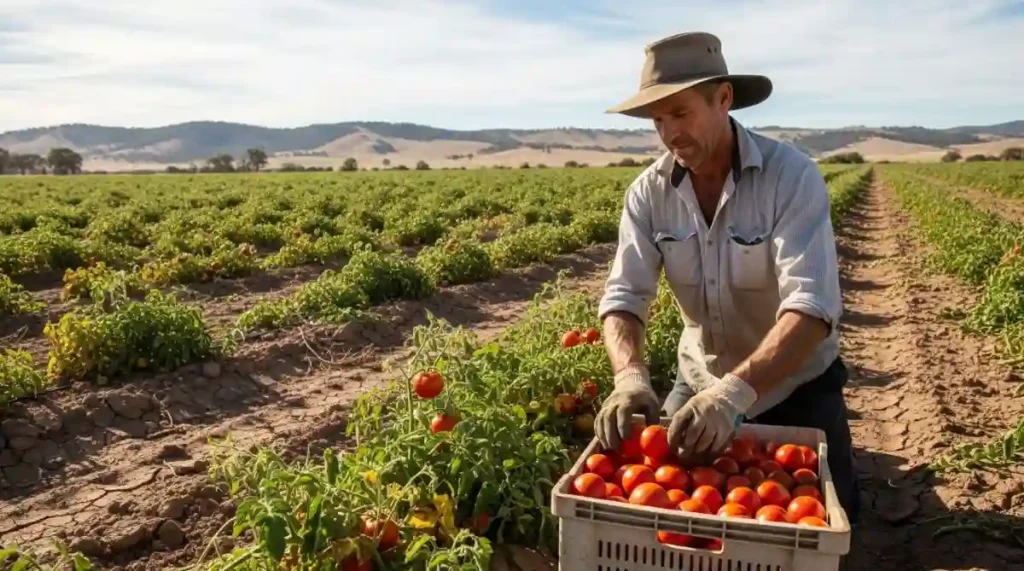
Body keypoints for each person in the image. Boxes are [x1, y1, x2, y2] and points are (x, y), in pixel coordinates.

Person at [593, 31, 860, 523]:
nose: (670, 132)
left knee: (827, 514)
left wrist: (735, 394)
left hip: (794, 385)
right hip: (699, 379)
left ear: (723, 99)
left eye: (680, 113)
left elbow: (812, 306)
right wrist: (629, 377)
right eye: (657, 119)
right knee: (665, 508)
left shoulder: (791, 177)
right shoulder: (648, 194)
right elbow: (624, 296)